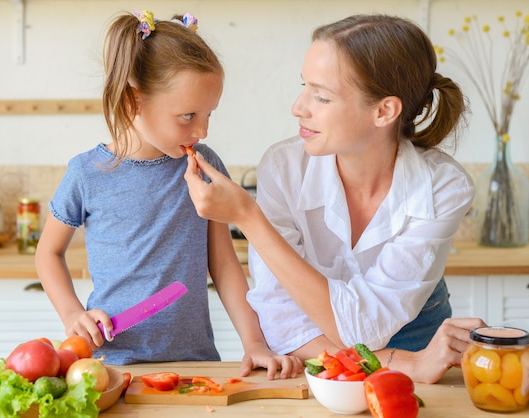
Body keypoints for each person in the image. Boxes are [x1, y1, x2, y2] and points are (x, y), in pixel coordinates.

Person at [184, 14, 487, 384]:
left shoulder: (442, 187)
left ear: (384, 111)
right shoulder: (283, 168)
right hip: (320, 355)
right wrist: (403, 363)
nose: (299, 107)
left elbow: (365, 327)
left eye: (321, 96)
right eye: (304, 86)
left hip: (420, 349)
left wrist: (250, 219)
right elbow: (281, 317)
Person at [35, 10, 301, 379]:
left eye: (209, 115)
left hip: (193, 366)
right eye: (188, 116)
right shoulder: (86, 173)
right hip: (111, 367)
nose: (203, 130)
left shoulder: (204, 168)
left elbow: (224, 266)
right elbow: (48, 253)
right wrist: (72, 314)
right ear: (134, 101)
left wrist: (255, 342)